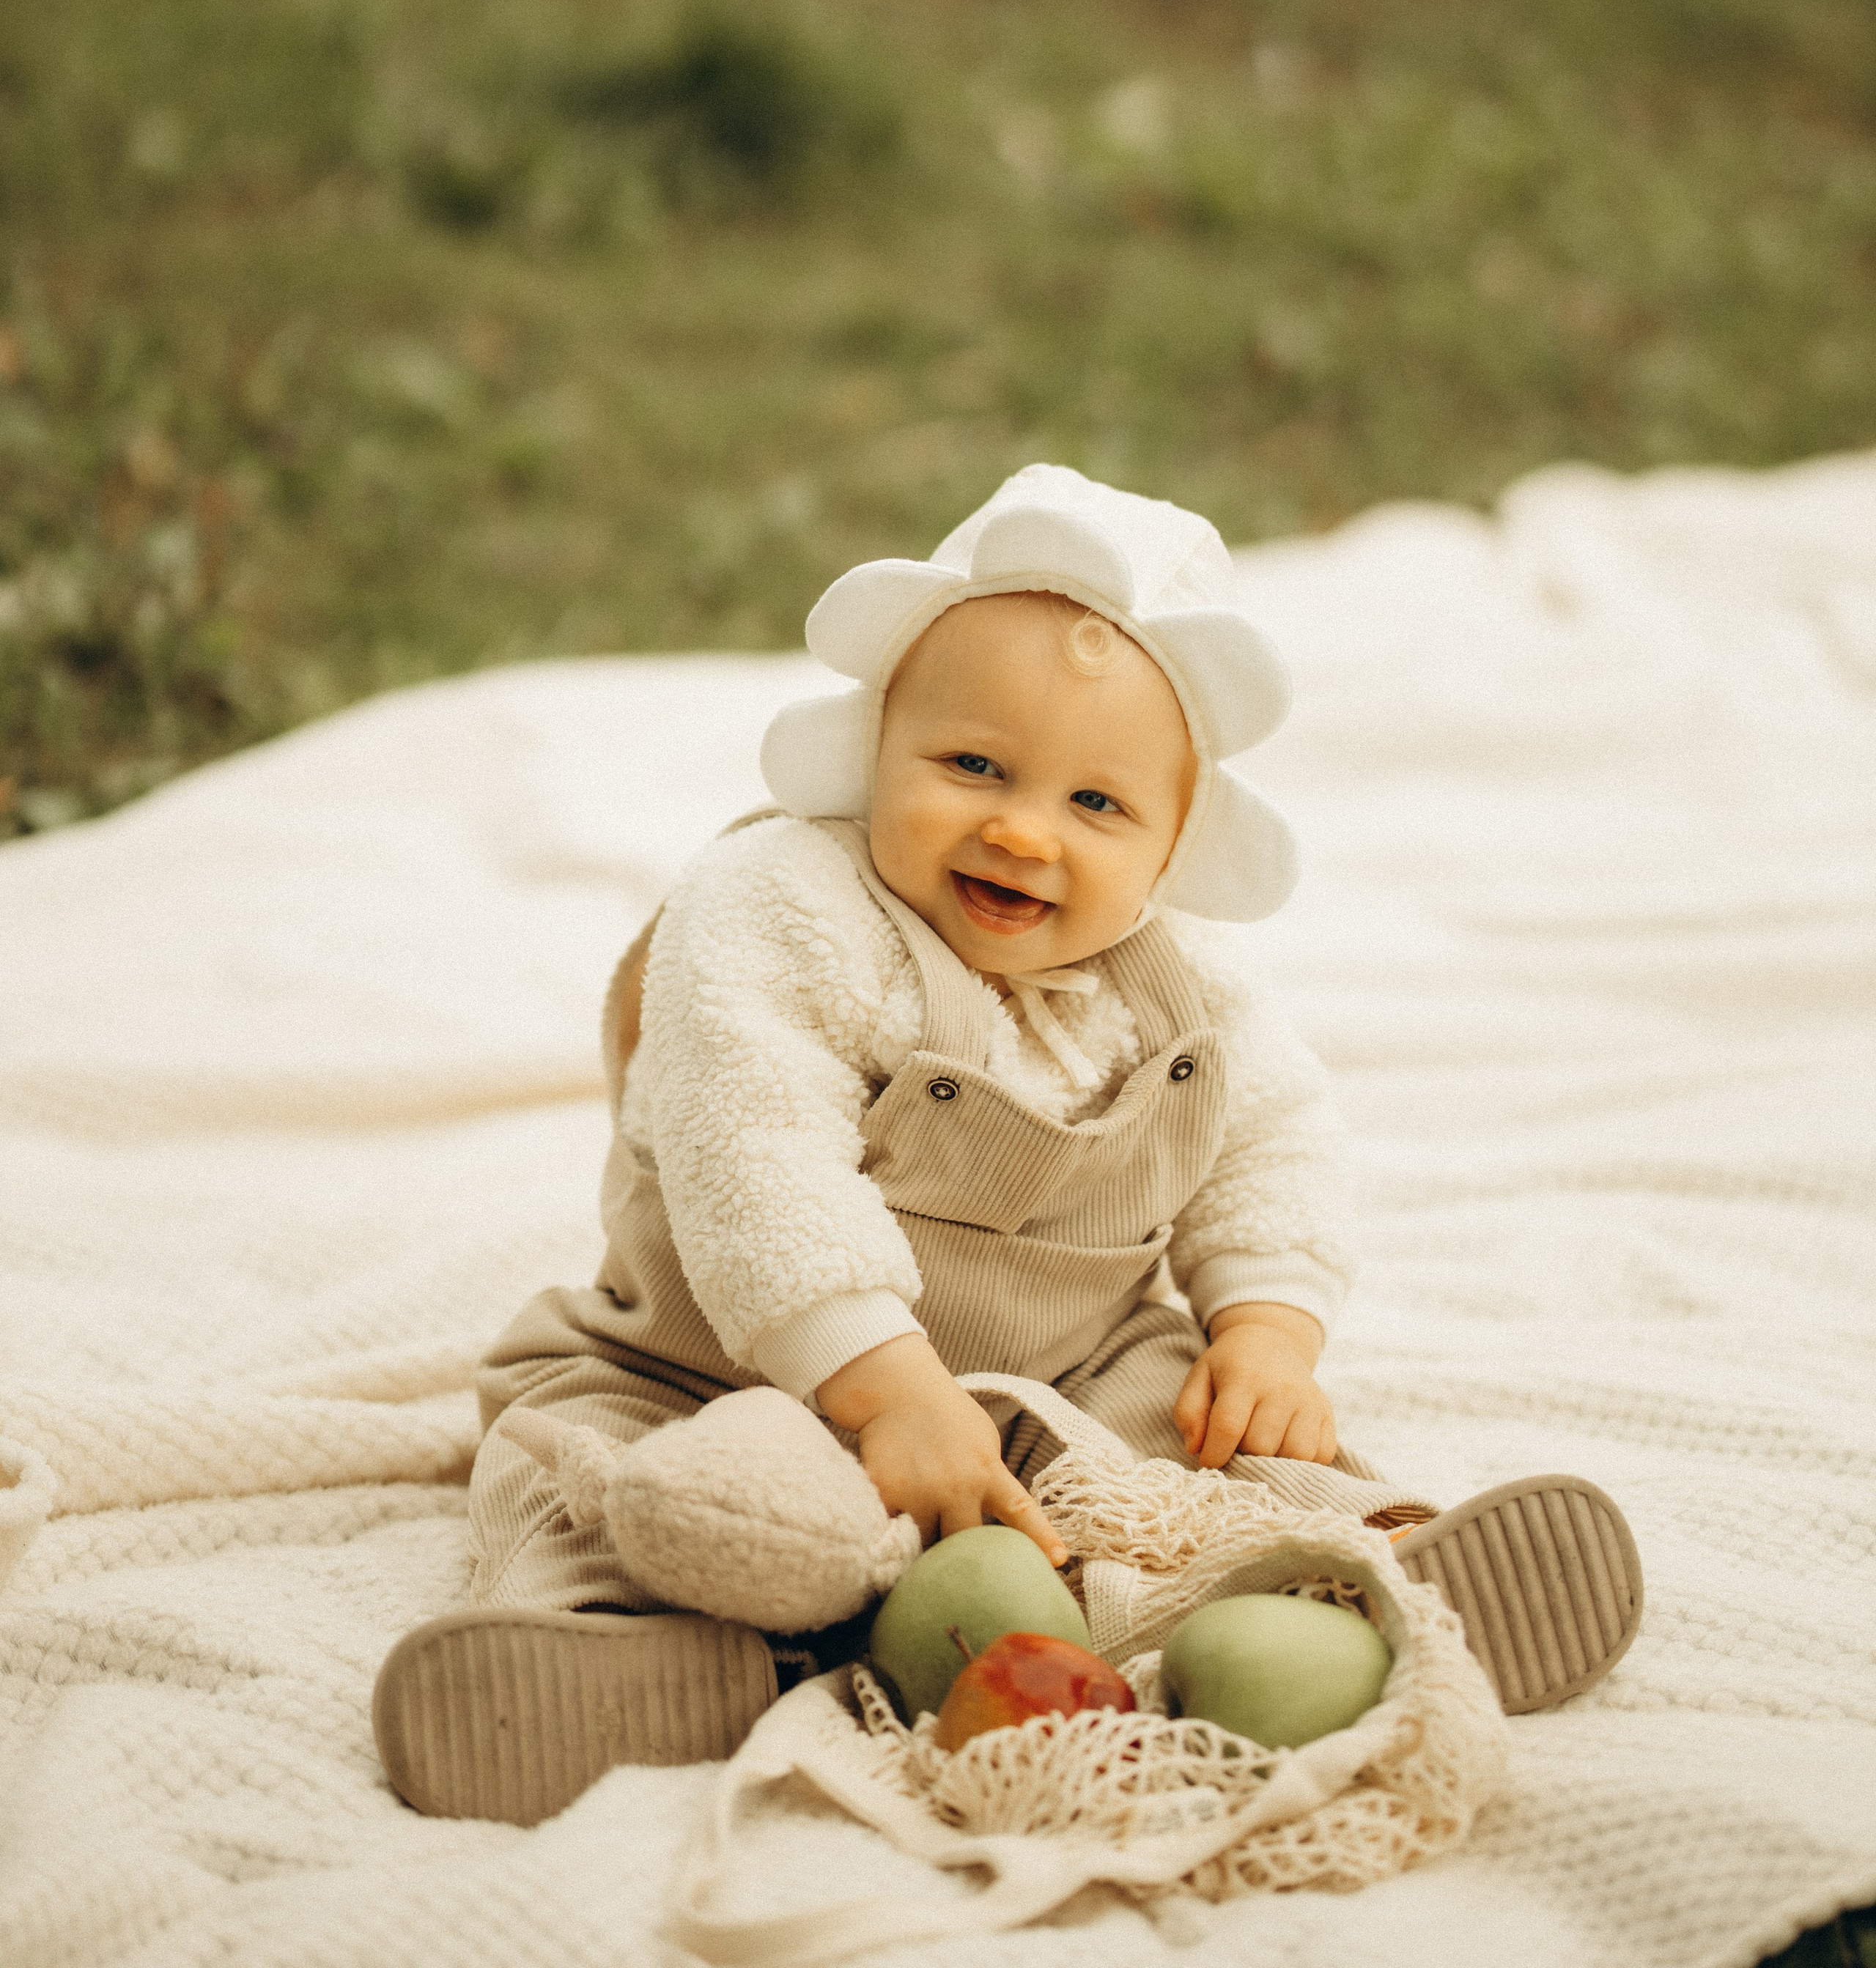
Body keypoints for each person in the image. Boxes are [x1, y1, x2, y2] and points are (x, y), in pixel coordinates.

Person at [374, 466, 1641, 1824]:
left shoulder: (1182, 985)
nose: (1022, 827)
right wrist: (887, 1395)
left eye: (1098, 806)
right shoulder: (780, 908)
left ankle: (1340, 1587)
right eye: (972, 764)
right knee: (592, 1466)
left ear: (1172, 845)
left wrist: (1270, 1328)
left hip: (1056, 1378)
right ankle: (626, 1653)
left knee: (1196, 1446)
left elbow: (1275, 1137)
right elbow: (758, 1161)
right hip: (711, 1369)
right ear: (877, 748)